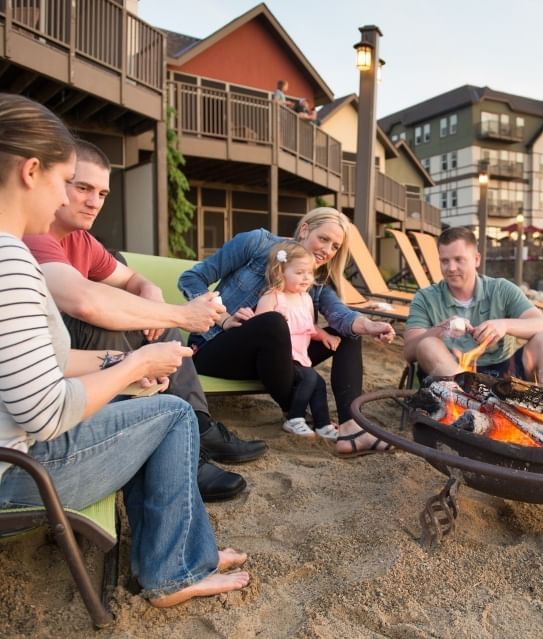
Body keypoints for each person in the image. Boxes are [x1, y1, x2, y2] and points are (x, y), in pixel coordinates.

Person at [0, 93, 249, 607]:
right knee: (172, 416)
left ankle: (187, 550)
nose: (69, 199)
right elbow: (44, 414)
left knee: (148, 404)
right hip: (17, 476)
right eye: (65, 182)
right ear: (31, 172)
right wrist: (135, 361)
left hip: (14, 450)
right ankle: (173, 572)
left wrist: (124, 368)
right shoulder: (13, 261)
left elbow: (41, 366)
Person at [24, 140, 267, 502]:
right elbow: (83, 302)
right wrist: (180, 314)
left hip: (78, 363)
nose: (94, 201)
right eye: (83, 188)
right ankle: (181, 444)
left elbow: (135, 281)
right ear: (55, 184)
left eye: (103, 192)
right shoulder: (34, 235)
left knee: (154, 320)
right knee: (130, 321)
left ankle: (194, 428)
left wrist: (151, 293)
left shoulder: (82, 241)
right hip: (44, 370)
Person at [178, 207, 396, 457]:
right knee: (273, 321)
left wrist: (370, 326)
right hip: (216, 349)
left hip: (274, 362)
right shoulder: (256, 243)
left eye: (335, 246)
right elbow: (191, 279)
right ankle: (294, 407)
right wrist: (224, 318)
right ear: (304, 229)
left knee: (348, 333)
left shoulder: (314, 278)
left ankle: (351, 426)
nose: (327, 250)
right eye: (323, 238)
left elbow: (339, 314)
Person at [404, 226, 543, 387]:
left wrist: (504, 325)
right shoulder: (425, 297)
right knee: (427, 345)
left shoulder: (501, 289)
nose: (451, 268)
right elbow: (410, 351)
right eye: (445, 261)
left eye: (459, 260)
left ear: (476, 259)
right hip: (454, 377)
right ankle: (469, 401)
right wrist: (441, 329)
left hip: (505, 375)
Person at [255, 240, 340, 440]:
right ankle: (294, 418)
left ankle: (323, 424)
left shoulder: (305, 299)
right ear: (280, 272)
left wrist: (324, 335)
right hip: (280, 358)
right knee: (310, 378)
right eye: (299, 273)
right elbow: (258, 328)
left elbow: (309, 327)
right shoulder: (272, 298)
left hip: (301, 356)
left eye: (309, 273)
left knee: (318, 383)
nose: (306, 278)